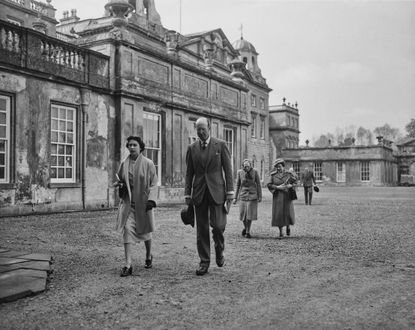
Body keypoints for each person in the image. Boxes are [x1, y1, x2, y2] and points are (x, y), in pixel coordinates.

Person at [184, 117, 234, 276]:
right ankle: (204, 262)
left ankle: (220, 251)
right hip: (199, 192)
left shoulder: (221, 145)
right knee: (202, 229)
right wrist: (187, 193)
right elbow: (189, 173)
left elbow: (228, 171)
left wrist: (230, 192)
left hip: (217, 191)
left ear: (209, 128)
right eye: (197, 129)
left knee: (218, 226)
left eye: (203, 128)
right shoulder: (192, 148)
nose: (200, 132)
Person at [114, 136, 158, 277]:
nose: (132, 147)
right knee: (127, 229)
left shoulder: (148, 163)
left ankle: (148, 255)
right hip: (129, 204)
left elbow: (154, 184)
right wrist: (120, 186)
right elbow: (120, 179)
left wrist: (151, 200)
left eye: (134, 145)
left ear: (140, 147)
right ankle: (128, 264)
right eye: (130, 145)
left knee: (146, 231)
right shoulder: (124, 164)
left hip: (144, 204)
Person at [267, 158, 297, 238]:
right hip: (278, 196)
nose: (278, 168)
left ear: (283, 166)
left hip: (287, 196)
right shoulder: (273, 175)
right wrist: (277, 187)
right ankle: (280, 232)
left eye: (279, 166)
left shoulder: (289, 174)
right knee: (279, 213)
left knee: (287, 212)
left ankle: (288, 226)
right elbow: (269, 185)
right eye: (277, 167)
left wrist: (291, 186)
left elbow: (295, 182)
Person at [233, 159, 262, 238]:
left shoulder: (255, 172)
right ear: (243, 166)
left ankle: (248, 232)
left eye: (248, 166)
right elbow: (238, 185)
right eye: (245, 167)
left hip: (252, 196)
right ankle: (246, 228)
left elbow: (258, 184)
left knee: (249, 214)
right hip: (243, 195)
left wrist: (260, 196)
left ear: (250, 166)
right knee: (243, 215)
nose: (247, 168)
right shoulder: (240, 172)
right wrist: (235, 198)